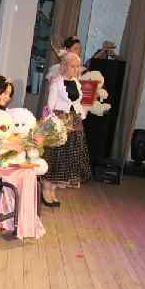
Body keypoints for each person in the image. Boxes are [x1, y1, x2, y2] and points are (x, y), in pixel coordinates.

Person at [0, 76, 45, 240]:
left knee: (29, 173)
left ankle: (22, 222)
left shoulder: (7, 115)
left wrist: (31, 140)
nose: (7, 97)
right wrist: (6, 147)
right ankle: (11, 220)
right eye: (4, 92)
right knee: (22, 174)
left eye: (9, 94)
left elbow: (14, 138)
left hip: (6, 157)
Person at [41, 52, 93, 192]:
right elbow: (50, 105)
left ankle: (53, 190)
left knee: (66, 158)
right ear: (64, 66)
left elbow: (77, 102)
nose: (75, 69)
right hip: (60, 120)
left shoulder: (76, 82)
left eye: (77, 66)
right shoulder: (57, 82)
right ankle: (46, 189)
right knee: (56, 156)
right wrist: (53, 122)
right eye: (72, 66)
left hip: (74, 121)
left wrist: (81, 115)